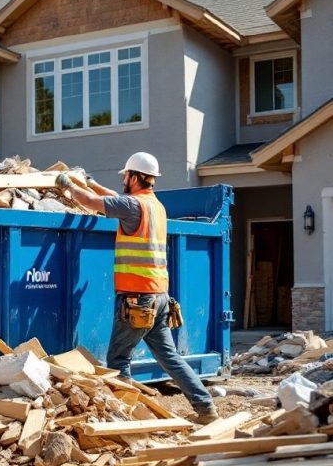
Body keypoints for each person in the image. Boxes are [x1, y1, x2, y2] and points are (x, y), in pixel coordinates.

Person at [56, 152, 219, 425]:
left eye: (125, 175)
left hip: (137, 299)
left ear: (134, 177)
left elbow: (93, 203)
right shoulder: (155, 206)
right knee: (169, 357)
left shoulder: (133, 206)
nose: (122, 179)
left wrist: (68, 186)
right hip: (160, 297)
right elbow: (114, 199)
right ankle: (206, 408)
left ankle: (123, 419)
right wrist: (93, 182)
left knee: (118, 360)